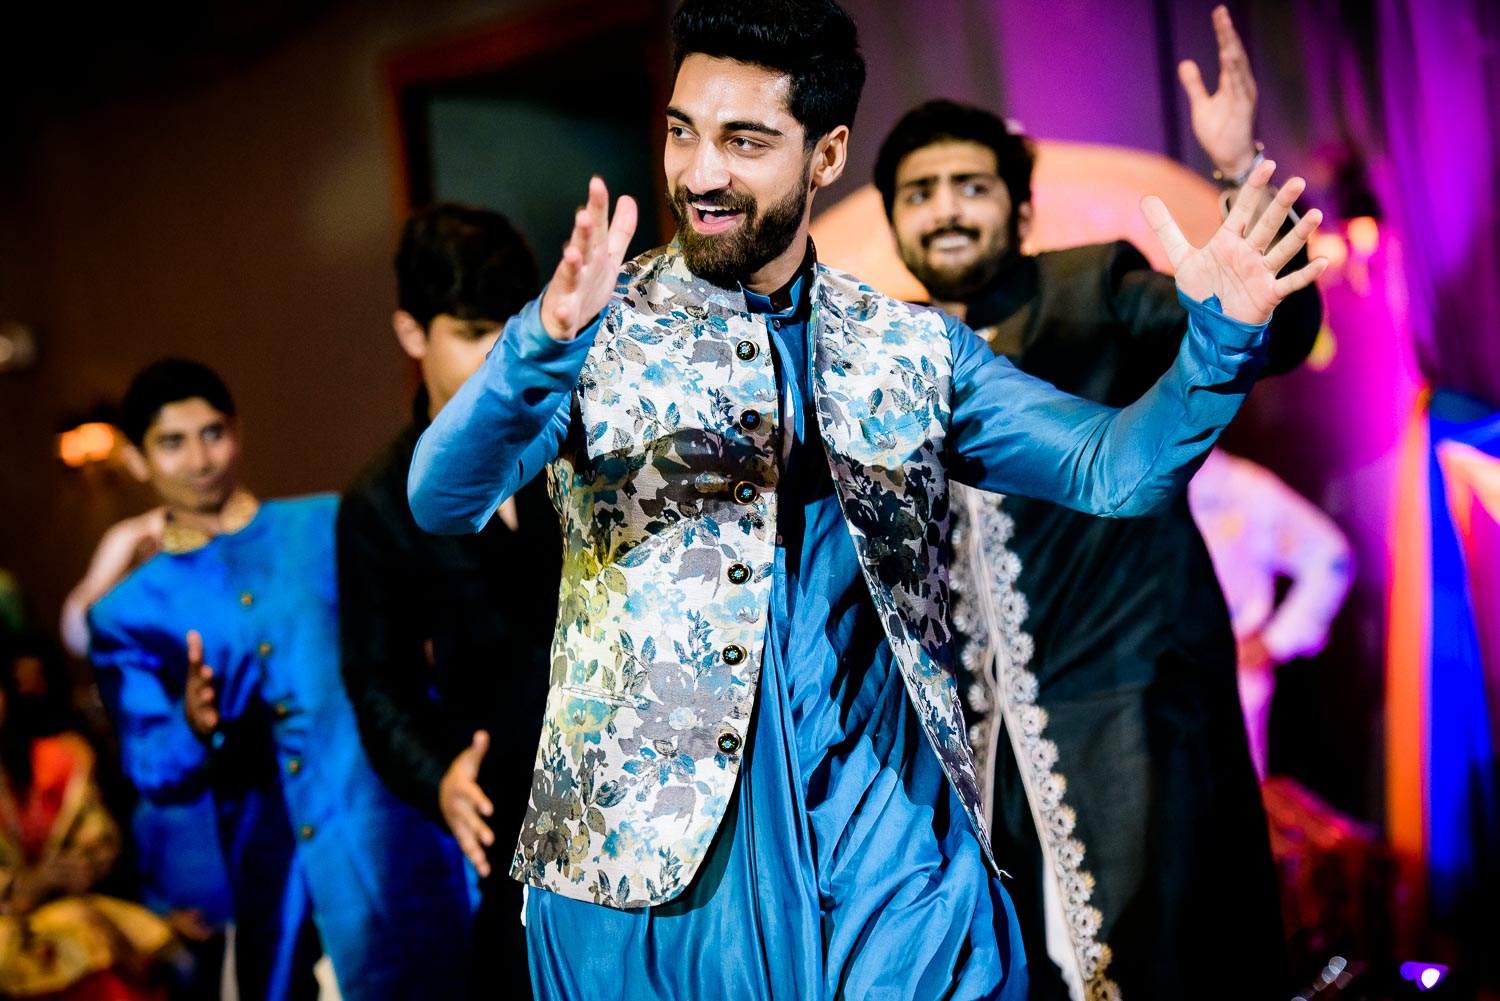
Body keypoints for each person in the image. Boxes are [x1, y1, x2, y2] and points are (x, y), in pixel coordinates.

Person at [406, 0, 1326, 997]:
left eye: (744, 140)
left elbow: (1115, 469)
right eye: (683, 132)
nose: (700, 172)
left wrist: (1217, 344)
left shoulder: (910, 347)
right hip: (650, 877)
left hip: (886, 843)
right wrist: (533, 353)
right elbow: (441, 497)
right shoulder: (592, 327)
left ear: (825, 153)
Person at [873, 8, 1322, 998]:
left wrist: (1240, 170)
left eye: (972, 188)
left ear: (1019, 210)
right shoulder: (887, 352)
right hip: (985, 747)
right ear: (895, 216)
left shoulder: (1094, 287)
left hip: (1132, 700)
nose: (947, 210)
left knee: (1170, 960)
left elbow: (1268, 332)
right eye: (921, 192)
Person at [87, 359, 473, 1001]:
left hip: (389, 832)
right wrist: (191, 725)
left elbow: (405, 659)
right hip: (275, 876)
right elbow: (151, 771)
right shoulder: (129, 611)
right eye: (171, 442)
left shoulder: (324, 525)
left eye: (212, 433)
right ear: (135, 458)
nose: (199, 459)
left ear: (236, 432)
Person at [338, 203, 558, 995]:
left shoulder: (577, 443)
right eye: (471, 332)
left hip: (629, 781)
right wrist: (438, 777)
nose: (501, 355)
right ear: (410, 332)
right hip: (505, 810)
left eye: (513, 327)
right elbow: (377, 677)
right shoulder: (377, 502)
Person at [62, 519, 235, 1001]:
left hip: (214, 760)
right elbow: (80, 629)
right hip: (156, 761)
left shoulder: (208, 612)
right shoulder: (121, 627)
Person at [0, 634, 177, 1001]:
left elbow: (98, 838)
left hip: (75, 913)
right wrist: (26, 887)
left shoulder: (58, 759)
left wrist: (70, 871)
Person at [1189, 446, 1354, 780]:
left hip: (1224, 694)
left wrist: (1275, 640)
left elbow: (1331, 557)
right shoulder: (1113, 481)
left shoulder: (1242, 490)